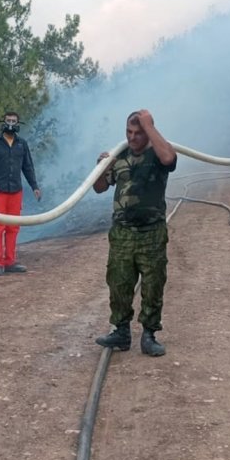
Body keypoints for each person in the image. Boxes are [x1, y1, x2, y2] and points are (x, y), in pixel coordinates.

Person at [92, 109, 177, 357]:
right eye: (129, 132)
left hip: (151, 232)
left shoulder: (158, 152)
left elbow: (170, 159)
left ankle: (149, 334)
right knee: (119, 282)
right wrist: (100, 167)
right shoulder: (119, 156)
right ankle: (121, 331)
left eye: (138, 133)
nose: (132, 138)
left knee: (153, 285)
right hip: (122, 233)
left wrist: (149, 126)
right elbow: (99, 188)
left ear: (148, 132)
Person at [0, 111, 42, 276]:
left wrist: (34, 186)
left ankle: (10, 261)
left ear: (19, 123)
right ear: (3, 122)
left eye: (14, 121)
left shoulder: (22, 144)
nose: (11, 123)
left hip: (15, 190)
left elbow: (28, 167)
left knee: (13, 227)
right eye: (8, 120)